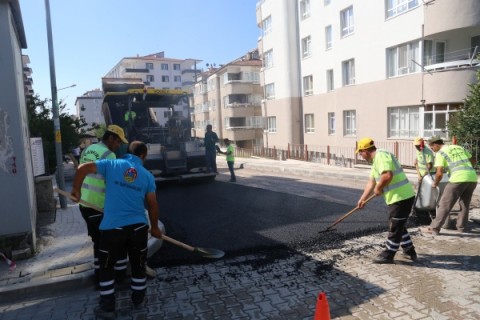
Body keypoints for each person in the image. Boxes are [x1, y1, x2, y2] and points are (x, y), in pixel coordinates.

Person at [71, 141, 163, 317]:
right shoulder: (146, 175)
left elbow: (82, 168)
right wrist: (155, 228)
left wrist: (76, 190)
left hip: (113, 228)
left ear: (128, 152)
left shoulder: (112, 165)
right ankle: (138, 300)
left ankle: (107, 308)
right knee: (138, 265)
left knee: (106, 267)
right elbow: (152, 205)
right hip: (138, 228)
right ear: (143, 156)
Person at [78, 125, 128, 285]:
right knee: (117, 241)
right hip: (100, 206)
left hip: (85, 205)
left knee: (98, 242)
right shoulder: (109, 155)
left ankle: (100, 276)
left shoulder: (88, 149)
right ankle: (118, 278)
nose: (118, 145)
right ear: (111, 138)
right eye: (118, 142)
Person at [356, 137, 417, 264]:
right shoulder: (375, 162)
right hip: (396, 197)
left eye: (360, 152)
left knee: (394, 226)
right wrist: (363, 199)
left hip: (401, 197)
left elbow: (387, 175)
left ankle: (389, 253)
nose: (361, 156)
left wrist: (379, 188)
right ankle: (409, 250)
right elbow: (371, 182)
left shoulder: (381, 156)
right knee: (398, 224)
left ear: (365, 150)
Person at [420, 136, 477, 235]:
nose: (432, 150)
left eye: (432, 148)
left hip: (458, 179)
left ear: (436, 145)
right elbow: (473, 160)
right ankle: (462, 228)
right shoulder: (458, 147)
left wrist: (435, 183)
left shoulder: (441, 153)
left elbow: (439, 173)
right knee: (465, 204)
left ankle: (434, 228)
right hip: (472, 178)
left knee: (445, 204)